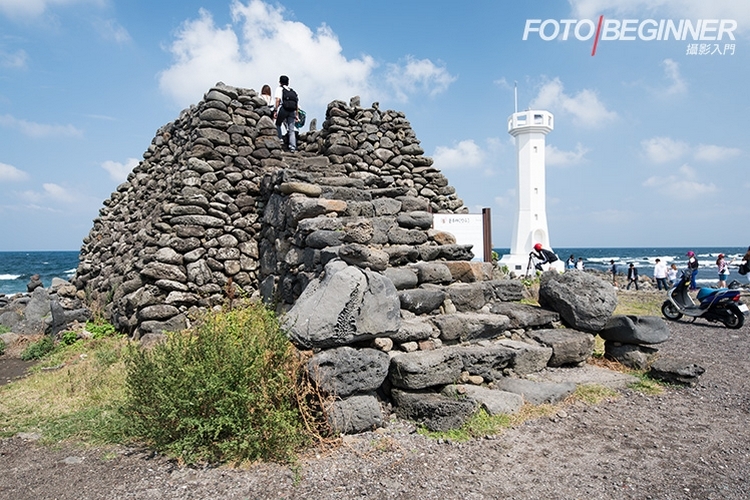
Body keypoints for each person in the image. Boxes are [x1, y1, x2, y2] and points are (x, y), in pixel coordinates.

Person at [274, 75, 299, 152]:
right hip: (292, 111)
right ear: (288, 82)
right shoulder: (292, 91)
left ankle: (280, 139)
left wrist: (275, 110)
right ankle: (292, 147)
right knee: (291, 130)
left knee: (278, 124)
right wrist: (297, 115)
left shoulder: (279, 89)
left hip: (283, 109)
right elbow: (296, 104)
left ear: (280, 82)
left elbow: (278, 100)